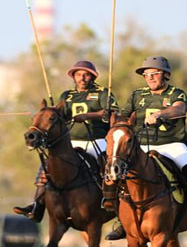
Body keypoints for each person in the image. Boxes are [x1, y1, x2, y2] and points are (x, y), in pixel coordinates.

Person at [106, 56, 187, 239]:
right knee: (117, 175)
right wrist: (111, 118)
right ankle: (122, 220)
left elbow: (179, 109)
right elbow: (123, 117)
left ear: (166, 75)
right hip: (142, 146)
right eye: (146, 75)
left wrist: (162, 114)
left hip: (172, 144)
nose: (150, 78)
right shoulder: (137, 95)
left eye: (155, 73)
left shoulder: (176, 93)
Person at [14, 60, 117, 222]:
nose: (82, 78)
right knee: (48, 165)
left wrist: (88, 116)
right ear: (73, 77)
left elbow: (110, 112)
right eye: (78, 75)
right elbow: (58, 117)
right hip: (72, 141)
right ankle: (37, 205)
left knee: (108, 166)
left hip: (96, 139)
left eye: (86, 75)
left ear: (92, 77)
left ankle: (112, 200)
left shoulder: (104, 93)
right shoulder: (66, 96)